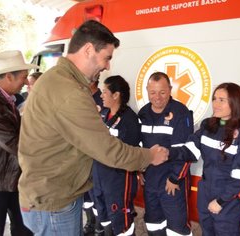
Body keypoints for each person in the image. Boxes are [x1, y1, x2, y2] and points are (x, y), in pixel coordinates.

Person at [17, 20, 168, 236]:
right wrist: (149, 156)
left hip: (51, 195)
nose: (108, 66)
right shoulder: (69, 92)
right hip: (54, 202)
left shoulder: (57, 80)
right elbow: (108, 150)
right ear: (89, 50)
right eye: (107, 58)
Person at [169, 83, 240, 235]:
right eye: (214, 99)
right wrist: (166, 153)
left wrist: (221, 201)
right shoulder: (208, 125)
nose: (215, 104)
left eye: (222, 100)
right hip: (205, 192)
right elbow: (190, 150)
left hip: (228, 200)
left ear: (235, 103)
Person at [0, 50, 37, 236]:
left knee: (24, 228)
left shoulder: (8, 100)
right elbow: (13, 142)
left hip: (13, 178)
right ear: (8, 77)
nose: (27, 82)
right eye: (23, 77)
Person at [138, 72, 193, 236]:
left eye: (162, 92)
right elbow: (139, 146)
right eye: (153, 92)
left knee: (177, 228)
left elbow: (187, 150)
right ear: (147, 90)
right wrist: (139, 169)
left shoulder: (180, 113)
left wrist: (175, 178)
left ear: (170, 90)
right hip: (150, 181)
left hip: (172, 182)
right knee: (154, 224)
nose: (157, 97)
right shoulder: (143, 113)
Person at [90, 75, 140, 236]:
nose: (101, 95)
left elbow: (129, 153)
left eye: (105, 92)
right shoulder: (103, 114)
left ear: (116, 95)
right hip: (99, 175)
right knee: (104, 218)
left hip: (118, 180)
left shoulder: (130, 120)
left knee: (121, 223)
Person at [83, 79, 104, 236]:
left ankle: (98, 227)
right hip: (82, 157)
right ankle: (90, 223)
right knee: (86, 197)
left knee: (96, 195)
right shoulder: (81, 98)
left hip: (95, 158)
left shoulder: (101, 100)